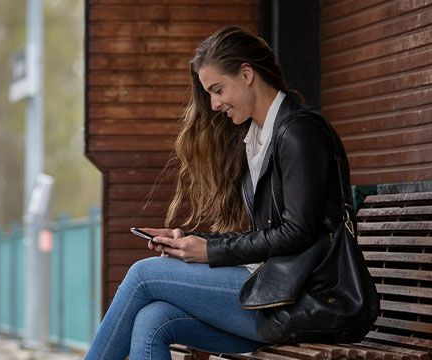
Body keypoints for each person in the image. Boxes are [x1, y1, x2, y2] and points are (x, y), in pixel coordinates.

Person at [85, 26, 362, 359]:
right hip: (271, 287)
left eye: (218, 90)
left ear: (246, 74)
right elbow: (269, 234)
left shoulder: (299, 132)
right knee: (153, 319)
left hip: (303, 298)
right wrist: (189, 240)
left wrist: (210, 252)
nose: (214, 104)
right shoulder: (257, 137)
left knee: (143, 275)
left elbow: (297, 232)